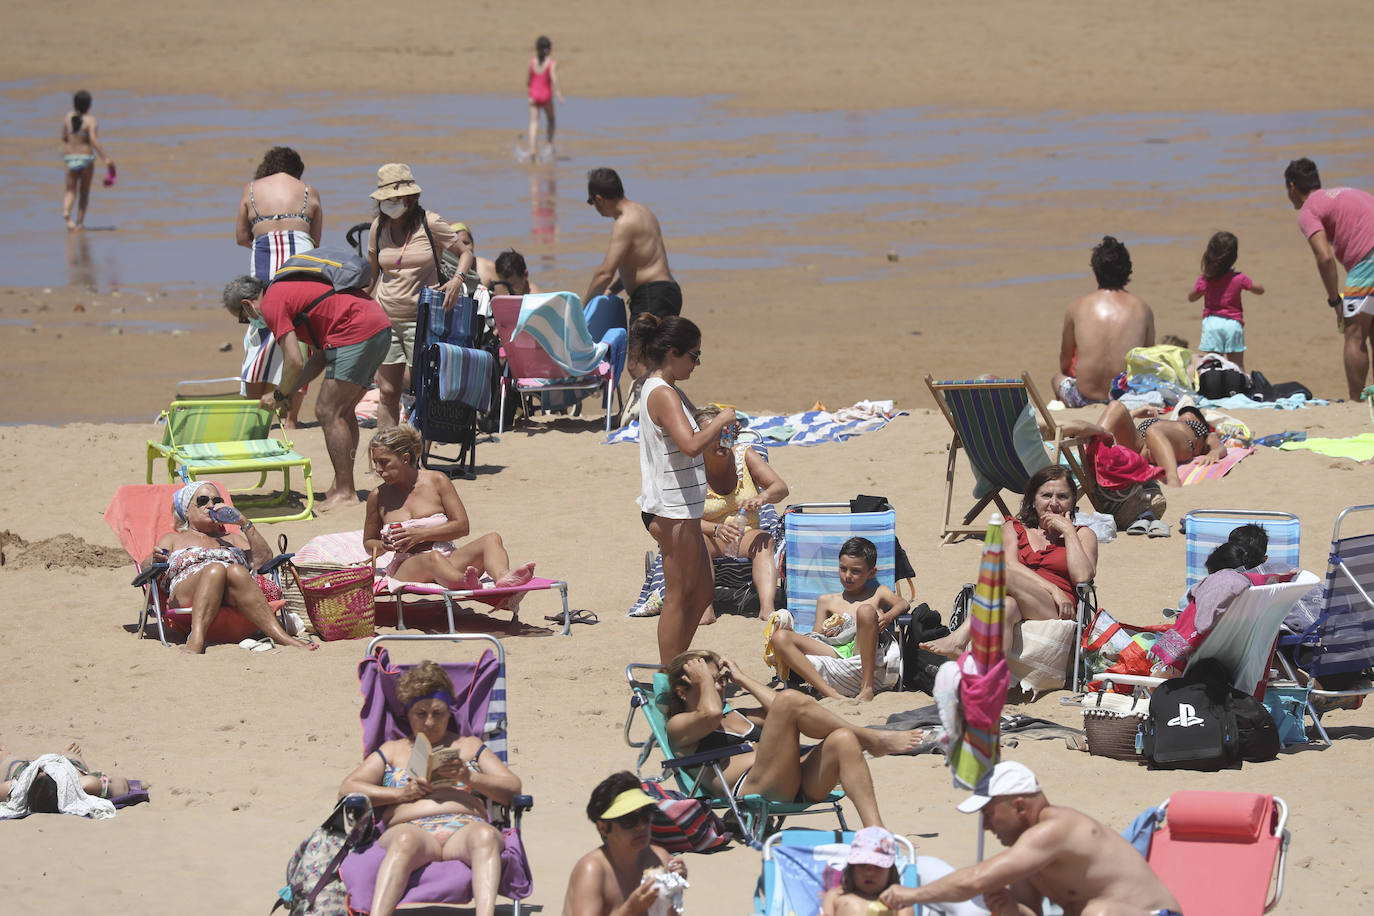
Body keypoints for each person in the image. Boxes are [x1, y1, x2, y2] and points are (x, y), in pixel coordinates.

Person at [879, 761, 1181, 916]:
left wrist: (912, 895)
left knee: (1098, 913)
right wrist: (1011, 908)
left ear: (1020, 806)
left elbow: (976, 879)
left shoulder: (1055, 830)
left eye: (988, 814)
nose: (985, 826)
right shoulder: (1029, 853)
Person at [339, 660, 520, 916]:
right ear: (408, 713)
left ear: (449, 712)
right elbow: (348, 788)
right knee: (405, 840)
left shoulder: (469, 745)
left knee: (486, 836)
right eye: (421, 714)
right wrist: (401, 793)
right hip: (410, 829)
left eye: (438, 713)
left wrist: (470, 778)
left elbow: (512, 787)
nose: (430, 722)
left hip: (465, 829)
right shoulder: (392, 750)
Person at [665, 650, 923, 828]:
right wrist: (705, 681)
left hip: (795, 777)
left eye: (721, 680)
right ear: (681, 691)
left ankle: (875, 832)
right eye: (710, 682)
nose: (720, 687)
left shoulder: (739, 715)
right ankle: (871, 739)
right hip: (757, 788)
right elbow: (709, 712)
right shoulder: (679, 727)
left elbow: (786, 707)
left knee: (843, 739)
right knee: (789, 701)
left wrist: (742, 678)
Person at [224, 265, 391, 512]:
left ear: (248, 304)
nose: (247, 322)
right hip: (376, 326)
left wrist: (279, 393)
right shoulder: (288, 294)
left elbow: (294, 360)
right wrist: (289, 391)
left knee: (327, 411)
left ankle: (346, 492)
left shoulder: (272, 303)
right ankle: (342, 485)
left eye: (242, 318)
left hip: (357, 332)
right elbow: (319, 357)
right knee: (342, 412)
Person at [632, 314, 737, 664]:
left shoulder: (666, 388)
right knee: (678, 596)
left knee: (703, 591)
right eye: (694, 355)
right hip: (669, 510)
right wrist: (720, 420)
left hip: (682, 508)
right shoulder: (662, 393)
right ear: (672, 352)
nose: (697, 363)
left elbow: (690, 445)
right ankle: (669, 673)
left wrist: (718, 438)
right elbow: (690, 444)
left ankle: (678, 661)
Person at [923, 466, 1097, 660]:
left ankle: (958, 639)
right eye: (1046, 495)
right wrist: (1053, 590)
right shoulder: (1013, 528)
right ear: (1032, 500)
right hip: (1026, 598)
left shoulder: (1083, 535)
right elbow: (1010, 565)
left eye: (1063, 497)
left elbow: (1083, 576)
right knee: (1005, 607)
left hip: (1059, 608)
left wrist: (1069, 532)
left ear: (1073, 501)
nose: (1054, 503)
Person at [367, 163, 476, 428]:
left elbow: (465, 254)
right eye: (384, 199)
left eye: (393, 199)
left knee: (425, 388)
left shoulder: (431, 223)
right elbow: (371, 276)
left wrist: (456, 280)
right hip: (385, 318)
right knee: (388, 392)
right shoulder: (377, 228)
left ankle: (418, 454)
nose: (388, 204)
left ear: (410, 197)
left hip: (423, 318)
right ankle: (386, 455)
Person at [147, 481, 314, 653]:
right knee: (216, 569)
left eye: (216, 500)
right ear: (186, 511)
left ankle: (280, 635)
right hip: (187, 590)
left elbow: (263, 561)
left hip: (231, 592)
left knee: (236, 570)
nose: (211, 505)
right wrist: (154, 558)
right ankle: (196, 639)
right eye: (202, 500)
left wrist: (244, 523)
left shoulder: (232, 538)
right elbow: (147, 567)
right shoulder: (173, 539)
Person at [364, 425, 535, 590]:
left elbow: (462, 526)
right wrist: (384, 546)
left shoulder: (437, 481)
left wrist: (421, 535)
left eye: (384, 462)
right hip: (407, 564)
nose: (378, 469)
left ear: (405, 458)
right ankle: (463, 581)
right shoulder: (378, 496)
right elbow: (368, 542)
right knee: (432, 558)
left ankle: (504, 578)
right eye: (375, 462)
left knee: (492, 539)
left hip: (447, 557)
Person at [233, 146, 324, 428]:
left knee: (259, 332)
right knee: (301, 336)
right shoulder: (309, 190)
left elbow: (240, 236)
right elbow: (316, 239)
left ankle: (253, 413)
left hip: (265, 262)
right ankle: (291, 420)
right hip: (301, 264)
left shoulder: (251, 190)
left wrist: (266, 238)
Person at [768, 537, 909, 701]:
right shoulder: (827, 601)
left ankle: (866, 688)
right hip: (834, 652)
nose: (847, 576)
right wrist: (828, 633)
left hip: (862, 653)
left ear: (871, 573)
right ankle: (829, 693)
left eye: (855, 571)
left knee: (865, 611)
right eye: (843, 569)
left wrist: (888, 616)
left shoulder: (879, 593)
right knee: (779, 637)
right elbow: (816, 636)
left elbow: (903, 604)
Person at [1284, 157, 1374, 399]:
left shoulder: (1309, 209)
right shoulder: (1349, 191)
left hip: (1368, 262)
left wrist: (1335, 301)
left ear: (1292, 187)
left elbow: (1324, 258)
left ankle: (1355, 401)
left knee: (1354, 335)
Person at [694, 406, 789, 623]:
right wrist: (716, 529)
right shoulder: (691, 468)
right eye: (713, 436)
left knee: (764, 540)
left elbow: (780, 488)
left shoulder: (743, 455)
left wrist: (763, 498)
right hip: (708, 536)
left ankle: (767, 609)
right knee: (697, 541)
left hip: (744, 534)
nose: (721, 442)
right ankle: (705, 609)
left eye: (725, 434)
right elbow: (681, 518)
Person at [562, 772, 687, 916]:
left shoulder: (659, 859)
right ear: (603, 828)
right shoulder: (593, 870)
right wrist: (629, 910)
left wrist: (675, 890)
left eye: (646, 815)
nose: (641, 826)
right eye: (629, 820)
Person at [1051, 236, 1156, 407]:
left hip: (1084, 400)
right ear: (1127, 269)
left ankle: (1064, 414)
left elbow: (1065, 361)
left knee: (1057, 378)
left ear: (1096, 271)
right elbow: (1147, 360)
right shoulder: (1142, 309)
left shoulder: (1077, 307)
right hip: (1126, 400)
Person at [585, 168, 681, 353]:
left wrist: (582, 309)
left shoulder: (624, 223)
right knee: (659, 359)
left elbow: (604, 273)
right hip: (668, 293)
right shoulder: (643, 211)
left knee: (638, 362)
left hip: (651, 297)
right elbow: (640, 264)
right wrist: (611, 290)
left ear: (598, 199)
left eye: (591, 202)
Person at [1069, 401, 1225, 488]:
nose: (1186, 417)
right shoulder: (1165, 421)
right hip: (1141, 447)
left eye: (1192, 418)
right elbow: (1118, 423)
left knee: (1153, 431)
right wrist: (1135, 413)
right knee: (1116, 406)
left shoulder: (1203, 433)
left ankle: (1172, 479)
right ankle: (1090, 455)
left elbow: (1219, 446)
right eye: (1182, 416)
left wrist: (1215, 452)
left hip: (1178, 445)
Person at [1186, 231, 1263, 370]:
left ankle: (1215, 389)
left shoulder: (1206, 279)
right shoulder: (1239, 278)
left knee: (1213, 366)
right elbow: (1259, 290)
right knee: (1237, 365)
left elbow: (1191, 297)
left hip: (1212, 324)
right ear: (1234, 256)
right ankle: (1242, 389)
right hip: (1233, 324)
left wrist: (1201, 289)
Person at [1, 742, 130, 808]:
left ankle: (7, 756)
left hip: (24, 774)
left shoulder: (16, 788)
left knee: (11, 762)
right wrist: (112, 781)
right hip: (68, 768)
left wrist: (7, 759)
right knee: (72, 760)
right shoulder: (84, 785)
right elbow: (122, 787)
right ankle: (68, 754)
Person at [821, 827, 914, 916]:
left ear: (890, 871)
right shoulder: (836, 896)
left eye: (878, 867)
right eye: (862, 865)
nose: (869, 873)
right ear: (852, 868)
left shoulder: (900, 901)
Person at [60, 90, 113, 231]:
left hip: (70, 157)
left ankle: (66, 212)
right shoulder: (91, 120)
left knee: (70, 190)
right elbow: (94, 141)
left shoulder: (67, 117)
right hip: (86, 158)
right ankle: (80, 223)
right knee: (84, 192)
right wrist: (106, 158)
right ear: (89, 105)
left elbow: (64, 137)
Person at [527, 36, 564, 162]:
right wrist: (559, 93)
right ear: (548, 49)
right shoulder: (551, 63)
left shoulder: (532, 62)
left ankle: (532, 150)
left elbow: (528, 80)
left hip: (533, 95)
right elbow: (554, 79)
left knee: (533, 123)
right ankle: (549, 144)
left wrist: (531, 89)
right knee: (551, 119)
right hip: (545, 95)